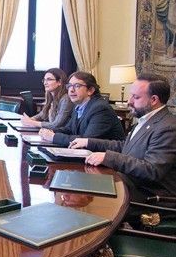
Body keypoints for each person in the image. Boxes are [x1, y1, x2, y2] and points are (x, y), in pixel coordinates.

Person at [69, 73, 176, 202]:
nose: (129, 101)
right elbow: (124, 146)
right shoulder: (146, 120)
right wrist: (88, 142)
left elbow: (152, 170)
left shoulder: (168, 127)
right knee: (74, 182)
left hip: (149, 195)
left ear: (154, 100)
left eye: (135, 97)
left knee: (85, 194)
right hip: (130, 184)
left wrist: (108, 157)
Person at [38, 71, 125, 147]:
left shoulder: (100, 109)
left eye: (77, 86)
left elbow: (87, 141)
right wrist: (50, 131)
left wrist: (53, 137)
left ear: (90, 90)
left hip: (103, 161)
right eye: (69, 86)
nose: (71, 90)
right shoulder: (78, 106)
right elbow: (69, 129)